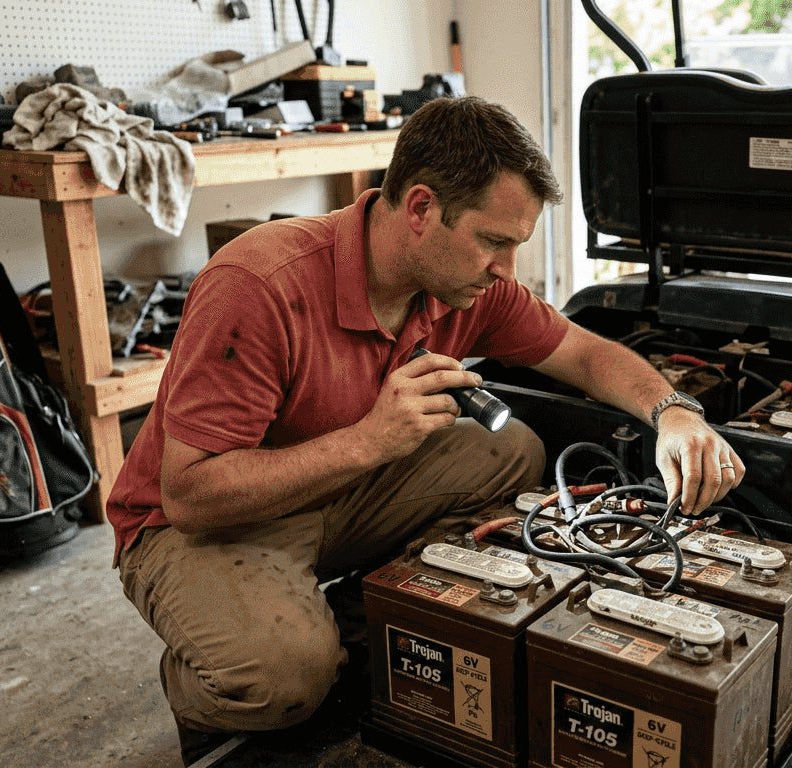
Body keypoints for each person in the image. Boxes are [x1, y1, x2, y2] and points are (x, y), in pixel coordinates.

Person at [106, 96, 746, 763]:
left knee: (509, 449)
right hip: (197, 526)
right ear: (419, 209)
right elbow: (191, 494)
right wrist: (371, 441)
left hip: (333, 491)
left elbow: (585, 353)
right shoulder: (259, 284)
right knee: (286, 680)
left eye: (516, 245)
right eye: (495, 241)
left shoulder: (466, 284)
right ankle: (209, 678)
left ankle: (365, 617)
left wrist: (673, 413)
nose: (507, 269)